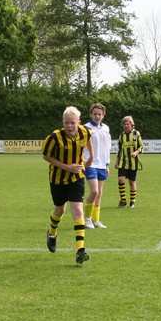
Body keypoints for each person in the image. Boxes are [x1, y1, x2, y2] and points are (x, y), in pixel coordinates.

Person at [42, 106, 93, 265]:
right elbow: (46, 156)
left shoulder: (85, 132)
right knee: (60, 210)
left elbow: (88, 144)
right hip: (57, 179)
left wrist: (89, 159)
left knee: (78, 210)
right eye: (66, 122)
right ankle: (52, 232)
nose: (69, 126)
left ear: (79, 122)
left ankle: (80, 250)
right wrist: (66, 167)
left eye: (72, 123)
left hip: (77, 177)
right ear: (62, 122)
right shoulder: (54, 137)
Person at [83, 103, 111, 229]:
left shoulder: (106, 128)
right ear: (91, 114)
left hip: (102, 165)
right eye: (95, 114)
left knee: (99, 193)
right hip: (89, 164)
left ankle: (96, 220)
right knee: (94, 191)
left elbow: (107, 147)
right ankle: (87, 219)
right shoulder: (85, 128)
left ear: (103, 115)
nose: (97, 116)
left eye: (99, 114)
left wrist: (107, 164)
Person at [116, 115, 144, 208]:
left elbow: (141, 146)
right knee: (121, 179)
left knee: (132, 182)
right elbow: (120, 149)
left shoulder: (136, 134)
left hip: (133, 163)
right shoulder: (121, 135)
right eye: (124, 124)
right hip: (123, 161)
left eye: (127, 124)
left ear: (132, 125)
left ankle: (132, 201)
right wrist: (117, 161)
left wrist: (136, 152)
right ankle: (123, 200)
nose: (126, 126)